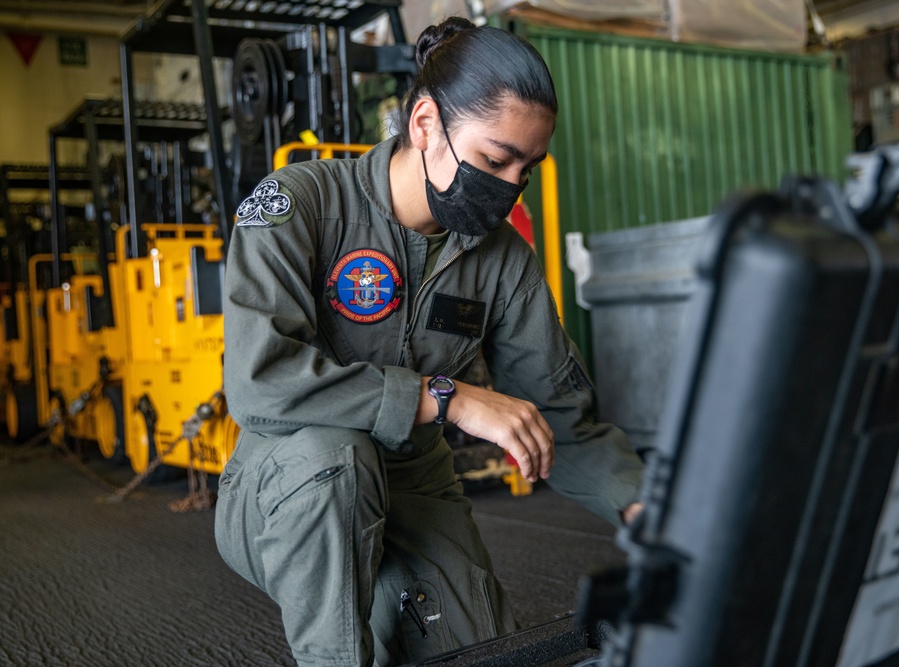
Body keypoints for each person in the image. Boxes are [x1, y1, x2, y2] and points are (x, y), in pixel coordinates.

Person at [215, 17, 645, 667]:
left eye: (526, 168)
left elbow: (562, 420)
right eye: (495, 160)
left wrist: (646, 507)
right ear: (423, 125)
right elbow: (258, 381)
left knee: (483, 652)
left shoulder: (503, 260)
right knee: (338, 458)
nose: (508, 187)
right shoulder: (296, 206)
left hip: (415, 490)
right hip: (285, 488)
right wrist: (449, 397)